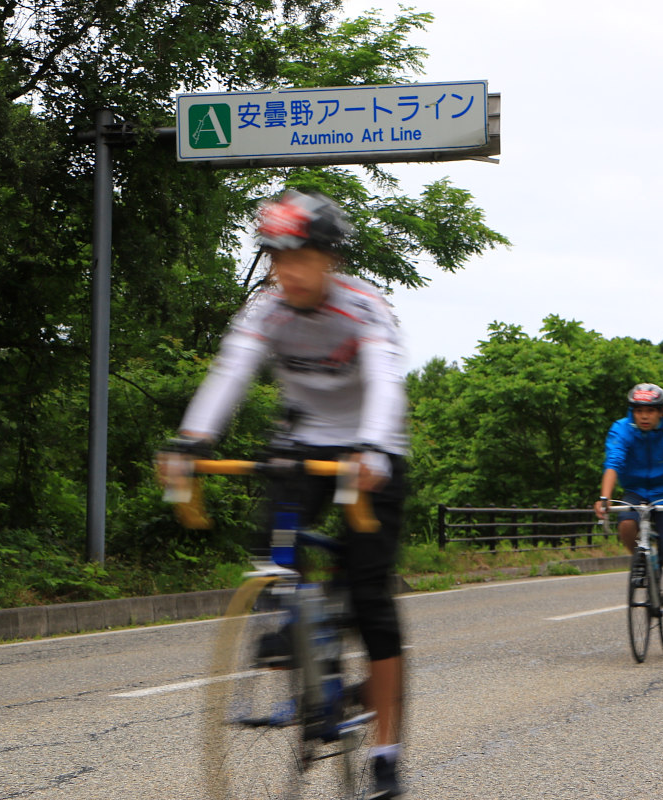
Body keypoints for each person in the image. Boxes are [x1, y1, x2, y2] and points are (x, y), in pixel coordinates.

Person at [159, 189, 408, 798]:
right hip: (302, 443)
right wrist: (191, 443)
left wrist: (372, 449)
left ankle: (385, 751)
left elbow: (384, 383)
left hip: (370, 452)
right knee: (272, 542)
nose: (284, 270)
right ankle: (291, 629)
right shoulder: (264, 313)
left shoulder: (366, 311)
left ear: (329, 258)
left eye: (297, 256)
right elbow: (230, 374)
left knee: (372, 602)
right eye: (275, 256)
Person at [593, 383, 663, 644]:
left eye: (650, 410)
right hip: (637, 491)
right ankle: (644, 561)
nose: (643, 416)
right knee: (627, 525)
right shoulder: (622, 429)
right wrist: (604, 497)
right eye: (638, 410)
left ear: (661, 411)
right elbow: (613, 461)